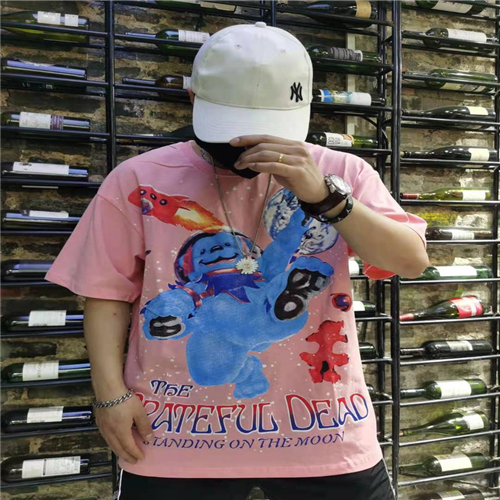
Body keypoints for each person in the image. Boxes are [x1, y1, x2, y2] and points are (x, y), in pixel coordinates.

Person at [45, 22, 430, 500]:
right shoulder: (140, 179)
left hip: (324, 432)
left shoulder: (342, 172)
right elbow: (105, 292)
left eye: (265, 129)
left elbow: (410, 260)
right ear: (192, 99)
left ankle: (283, 294)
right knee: (210, 344)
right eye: (228, 129)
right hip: (175, 434)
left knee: (273, 269)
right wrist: (110, 396)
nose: (245, 146)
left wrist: (325, 197)